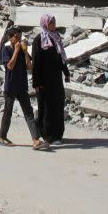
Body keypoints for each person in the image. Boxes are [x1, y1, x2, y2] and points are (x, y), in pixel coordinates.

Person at [0, 28, 48, 150]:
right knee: (7, 113)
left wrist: (25, 53)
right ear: (10, 38)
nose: (18, 39)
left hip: (22, 86)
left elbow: (29, 67)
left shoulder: (21, 51)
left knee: (28, 113)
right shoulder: (6, 50)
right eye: (16, 37)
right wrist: (16, 51)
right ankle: (1, 137)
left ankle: (35, 140)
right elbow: (9, 66)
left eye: (20, 37)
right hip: (10, 87)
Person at [31, 13, 70, 144]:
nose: (54, 25)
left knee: (58, 105)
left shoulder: (56, 37)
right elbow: (36, 62)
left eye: (54, 22)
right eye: (51, 23)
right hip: (44, 80)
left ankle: (58, 134)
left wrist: (66, 72)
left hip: (56, 79)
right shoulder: (38, 40)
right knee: (47, 107)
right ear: (45, 24)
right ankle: (48, 135)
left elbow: (61, 57)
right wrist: (36, 82)